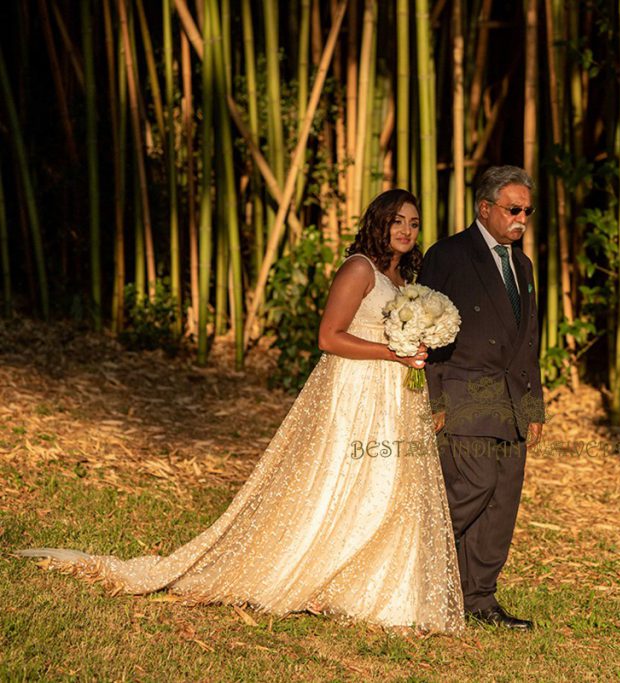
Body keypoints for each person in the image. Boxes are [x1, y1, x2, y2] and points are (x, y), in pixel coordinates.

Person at [16, 189, 465, 634]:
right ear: (378, 222)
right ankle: (317, 569)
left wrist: (415, 348)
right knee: (343, 481)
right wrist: (392, 352)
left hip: (395, 392)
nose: (406, 230)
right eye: (397, 221)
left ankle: (373, 587)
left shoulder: (407, 284)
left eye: (413, 223)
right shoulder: (359, 269)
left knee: (390, 485)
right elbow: (329, 337)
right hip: (356, 391)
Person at [418, 165, 545, 630]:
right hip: (465, 394)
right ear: (485, 208)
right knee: (471, 488)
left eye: (527, 211)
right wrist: (434, 400)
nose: (521, 220)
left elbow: (531, 338)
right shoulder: (449, 255)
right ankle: (423, 581)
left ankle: (479, 599)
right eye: (513, 210)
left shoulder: (524, 265)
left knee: (502, 501)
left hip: (511, 402)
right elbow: (425, 329)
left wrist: (533, 408)